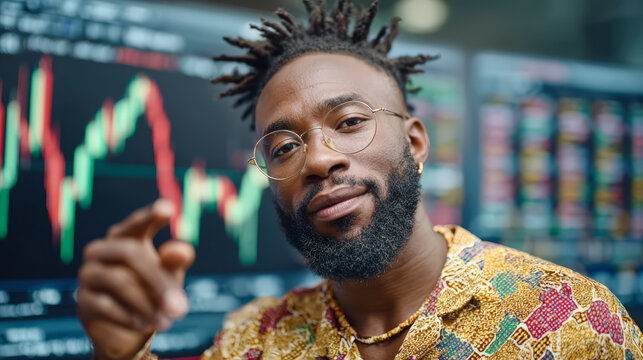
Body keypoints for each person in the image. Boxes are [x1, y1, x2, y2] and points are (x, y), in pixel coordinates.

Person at [77, 0, 643, 359]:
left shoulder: (570, 321)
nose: (319, 160)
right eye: (283, 146)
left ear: (415, 143)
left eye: (349, 123)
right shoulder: (251, 341)